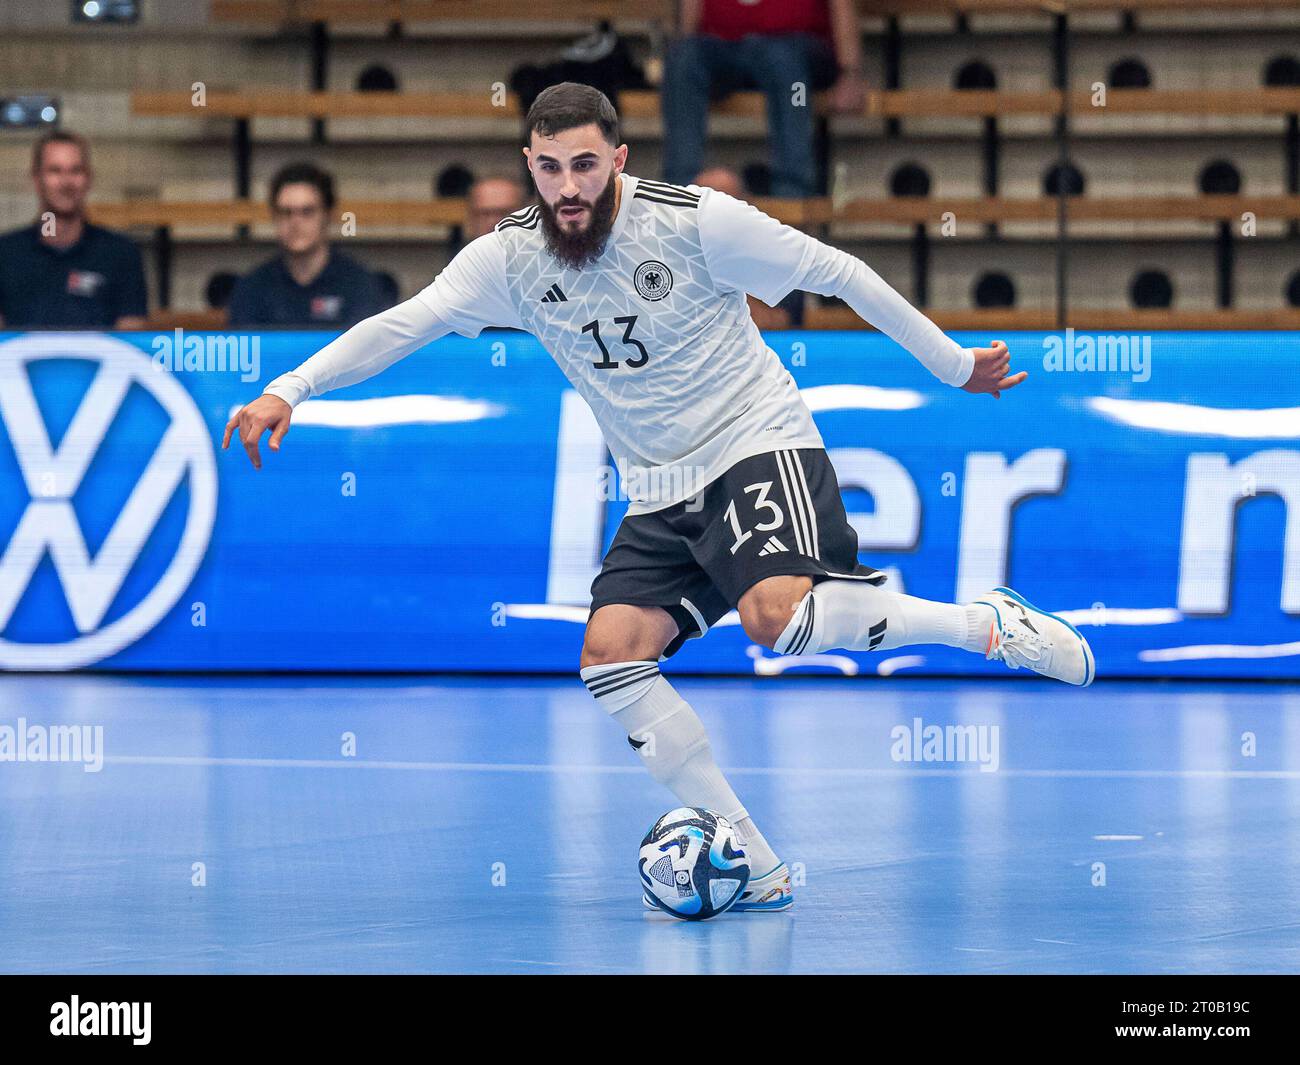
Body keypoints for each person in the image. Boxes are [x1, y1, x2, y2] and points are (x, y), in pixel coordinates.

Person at [224, 83, 1092, 913]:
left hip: (755, 440)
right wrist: (289, 389)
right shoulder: (509, 260)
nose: (569, 188)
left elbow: (841, 271)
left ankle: (984, 626)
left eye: (587, 166)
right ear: (529, 163)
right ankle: (751, 857)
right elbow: (400, 324)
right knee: (610, 656)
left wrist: (952, 364)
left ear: (619, 159)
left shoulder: (694, 222)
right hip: (658, 487)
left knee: (775, 618)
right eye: (551, 167)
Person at [661, 0, 867, 197]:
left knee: (792, 81)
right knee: (684, 60)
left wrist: (850, 73)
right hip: (724, 46)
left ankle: (793, 190)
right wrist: (685, 45)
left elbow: (841, 4)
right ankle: (680, 188)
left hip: (796, 64)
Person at [0, 131, 147, 329]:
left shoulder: (121, 254)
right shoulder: (5, 254)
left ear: (88, 178)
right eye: (55, 170)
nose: (66, 182)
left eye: (75, 170)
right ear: (37, 179)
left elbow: (132, 343)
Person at [227, 162, 383, 328]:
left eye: (307, 211)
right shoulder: (252, 288)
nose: (296, 222)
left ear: (328, 215)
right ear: (274, 216)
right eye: (286, 212)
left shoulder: (359, 285)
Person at [694, 166, 805, 329]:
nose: (709, 216)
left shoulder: (778, 257)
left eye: (719, 206)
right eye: (698, 205)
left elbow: (781, 321)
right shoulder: (669, 254)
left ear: (745, 206)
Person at [464, 175, 526, 241]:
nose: (493, 222)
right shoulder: (463, 251)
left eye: (504, 213)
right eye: (485, 214)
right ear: (471, 217)